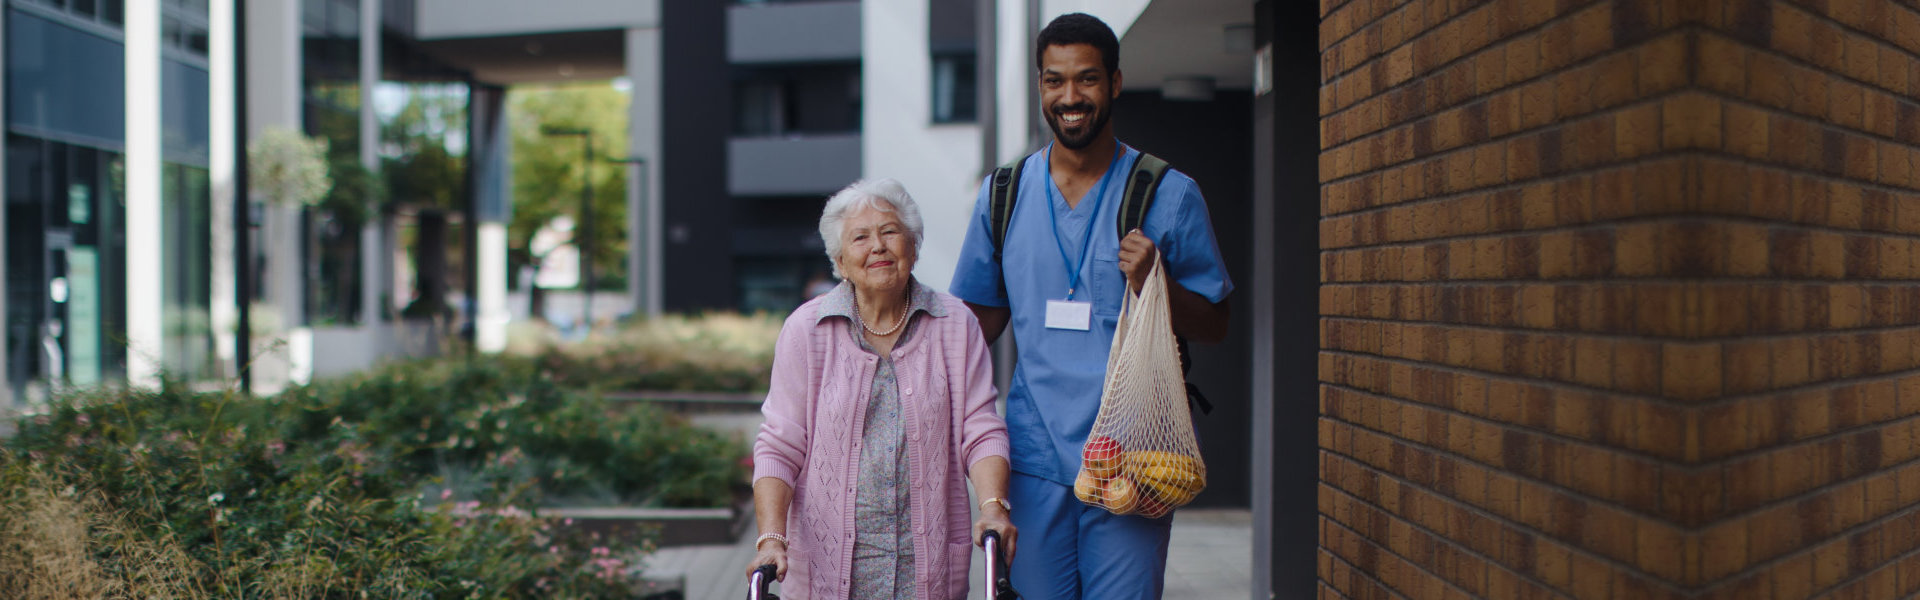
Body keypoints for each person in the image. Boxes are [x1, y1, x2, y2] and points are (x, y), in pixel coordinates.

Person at [947, 13, 1233, 600]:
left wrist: (1158, 282)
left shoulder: (1167, 193)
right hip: (1032, 459)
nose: (1070, 97)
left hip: (1133, 458)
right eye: (1054, 81)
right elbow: (975, 326)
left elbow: (1215, 323)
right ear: (1040, 86)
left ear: (1116, 82)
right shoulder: (1003, 194)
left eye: (1087, 80)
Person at [750, 178, 1017, 599]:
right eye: (860, 237)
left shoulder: (956, 324)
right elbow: (780, 446)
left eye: (890, 232)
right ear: (840, 260)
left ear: (913, 246)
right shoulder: (806, 330)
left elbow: (981, 429)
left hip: (926, 568)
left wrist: (993, 508)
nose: (877, 246)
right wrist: (771, 537)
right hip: (828, 567)